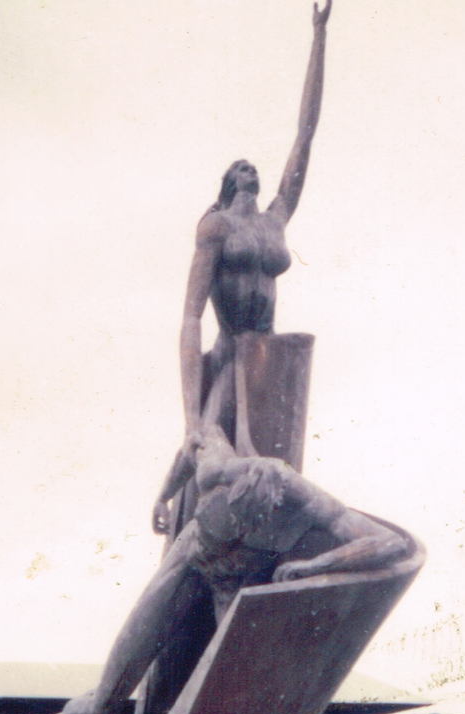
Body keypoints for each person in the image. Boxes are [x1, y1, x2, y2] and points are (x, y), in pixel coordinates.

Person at [29, 426, 412, 714]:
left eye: (254, 523)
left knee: (230, 698)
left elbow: (391, 543)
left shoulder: (310, 502)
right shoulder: (217, 469)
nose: (243, 529)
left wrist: (316, 565)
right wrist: (163, 497)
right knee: (111, 690)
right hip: (188, 563)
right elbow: (195, 439)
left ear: (279, 504)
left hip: (233, 590)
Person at [157, 0, 333, 523]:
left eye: (252, 164)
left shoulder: (275, 219)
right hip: (231, 353)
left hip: (270, 359)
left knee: (276, 479)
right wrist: (190, 415)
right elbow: (190, 318)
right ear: (230, 182)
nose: (249, 166)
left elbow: (305, 135)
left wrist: (318, 39)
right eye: (240, 165)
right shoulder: (215, 228)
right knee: (212, 457)